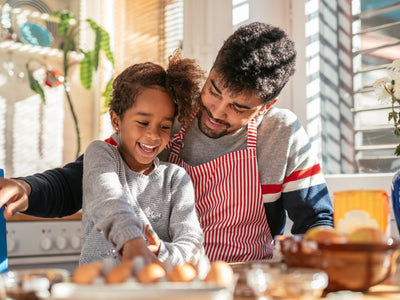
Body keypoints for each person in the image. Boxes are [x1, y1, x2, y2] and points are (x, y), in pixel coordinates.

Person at [0, 22, 333, 263]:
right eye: (214, 90)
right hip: (173, 282)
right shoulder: (167, 120)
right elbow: (86, 177)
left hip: (248, 282)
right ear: (212, 69)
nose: (215, 112)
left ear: (266, 106)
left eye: (239, 107)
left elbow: (316, 221)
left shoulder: (281, 134)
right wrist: (28, 188)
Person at [80, 51, 204, 267]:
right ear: (116, 120)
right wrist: (132, 241)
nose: (154, 135)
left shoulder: (175, 178)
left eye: (164, 126)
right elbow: (109, 199)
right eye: (143, 123)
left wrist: (162, 252)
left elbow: (192, 244)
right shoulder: (101, 154)